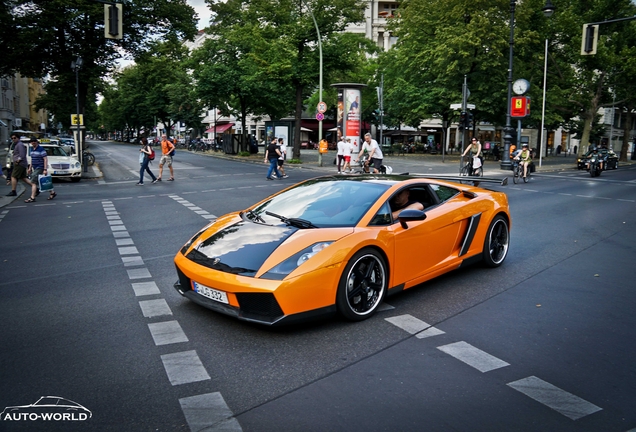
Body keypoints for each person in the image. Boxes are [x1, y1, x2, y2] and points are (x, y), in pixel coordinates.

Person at [6, 135, 38, 201]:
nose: (13, 139)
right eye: (12, 138)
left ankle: (13, 191)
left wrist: (18, 161)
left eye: (15, 138)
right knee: (24, 178)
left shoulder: (19, 145)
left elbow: (22, 154)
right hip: (21, 164)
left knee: (13, 176)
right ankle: (35, 188)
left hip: (20, 164)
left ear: (18, 138)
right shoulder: (17, 144)